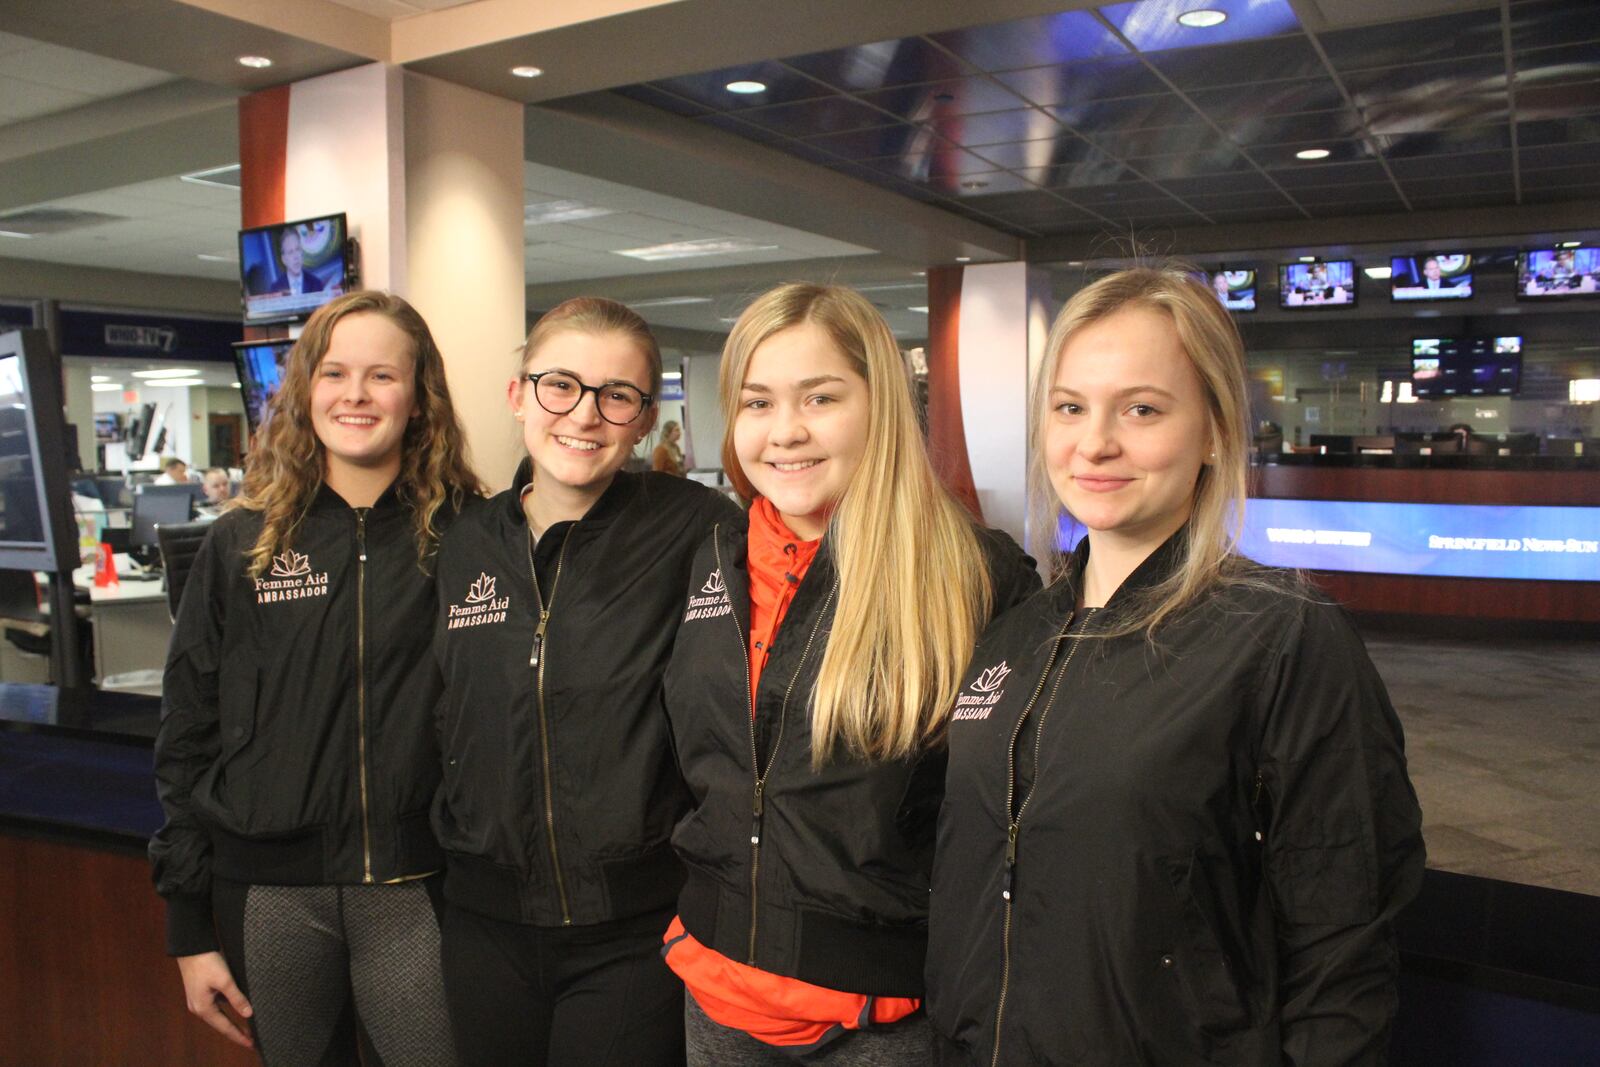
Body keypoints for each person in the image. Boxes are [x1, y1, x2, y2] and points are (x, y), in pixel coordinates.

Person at [925, 266, 1425, 1066]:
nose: (1095, 442)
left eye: (1142, 409)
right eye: (1070, 408)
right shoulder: (1015, 633)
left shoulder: (1281, 636)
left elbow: (1345, 946)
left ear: (1216, 429)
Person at [659, 283, 1039, 1065]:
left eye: (820, 397)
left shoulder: (974, 574)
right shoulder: (713, 559)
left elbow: (1013, 823)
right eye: (757, 402)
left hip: (881, 1015)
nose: (785, 431)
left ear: (882, 406)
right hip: (717, 987)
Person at [150, 291, 482, 1064]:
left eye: (381, 375)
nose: (356, 394)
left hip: (419, 888)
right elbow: (187, 733)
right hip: (270, 895)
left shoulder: (469, 536)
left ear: (419, 394)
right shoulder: (241, 542)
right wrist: (189, 928)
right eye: (334, 373)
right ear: (305, 390)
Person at [430, 297, 739, 1066]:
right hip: (483, 921)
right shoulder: (460, 541)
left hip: (636, 929)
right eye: (560, 385)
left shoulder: (699, 527)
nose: (585, 415)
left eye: (617, 395)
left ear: (642, 419)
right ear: (518, 395)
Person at [278, 228, 324, 296]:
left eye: (298, 249)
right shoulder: (276, 288)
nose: (296, 256)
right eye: (290, 252)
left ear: (302, 252)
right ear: (284, 259)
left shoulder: (316, 284)